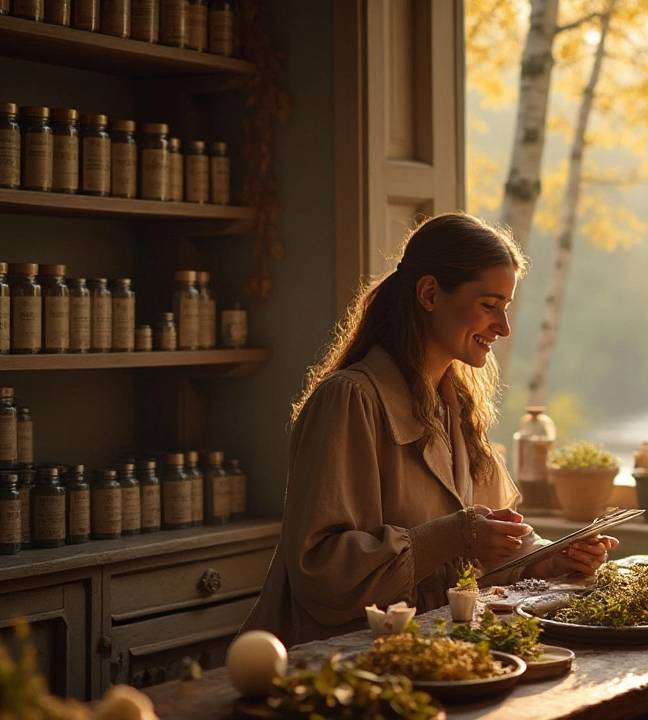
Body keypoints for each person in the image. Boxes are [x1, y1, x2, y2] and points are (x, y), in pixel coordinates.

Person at [244, 212, 617, 647]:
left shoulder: (457, 409)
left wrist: (553, 559)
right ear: (429, 294)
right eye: (488, 305)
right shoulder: (349, 400)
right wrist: (452, 536)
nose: (503, 327)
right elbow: (319, 569)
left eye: (506, 307)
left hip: (429, 650)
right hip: (334, 667)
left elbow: (493, 537)